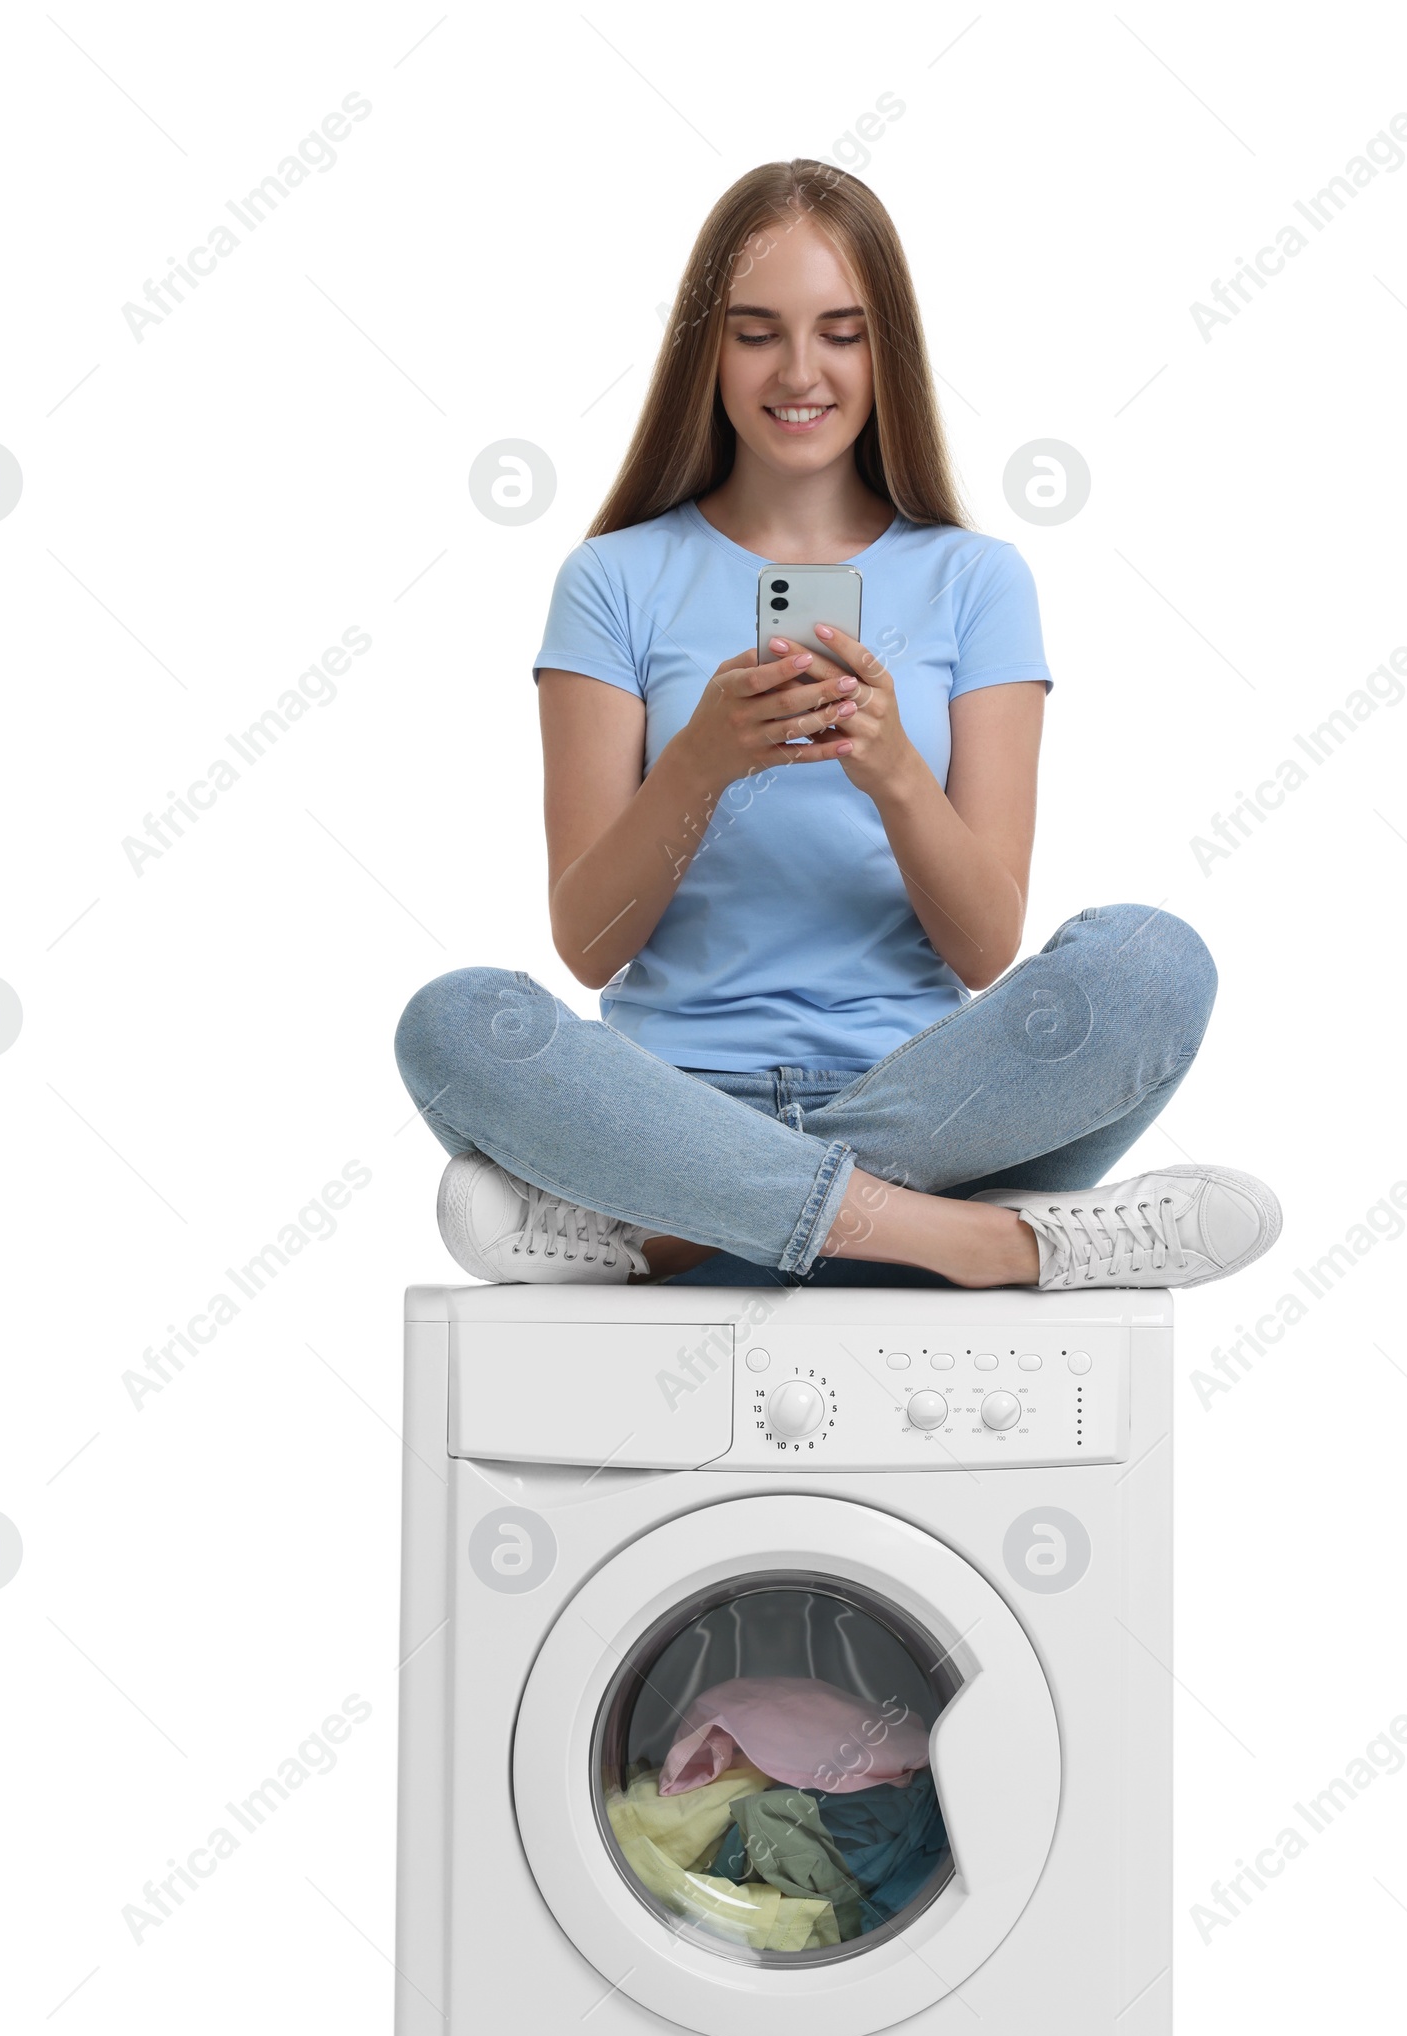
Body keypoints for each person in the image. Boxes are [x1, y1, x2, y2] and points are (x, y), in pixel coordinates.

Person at [395, 160, 1279, 1293]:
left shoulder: (977, 580)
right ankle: (982, 1244)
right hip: (666, 1102)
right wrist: (700, 765)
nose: (800, 373)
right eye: (757, 332)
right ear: (705, 352)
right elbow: (588, 943)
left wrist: (897, 773)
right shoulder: (611, 579)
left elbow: (983, 947)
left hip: (931, 1099)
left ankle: (668, 1235)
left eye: (841, 334)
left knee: (1155, 963)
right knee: (454, 1022)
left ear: (888, 353)